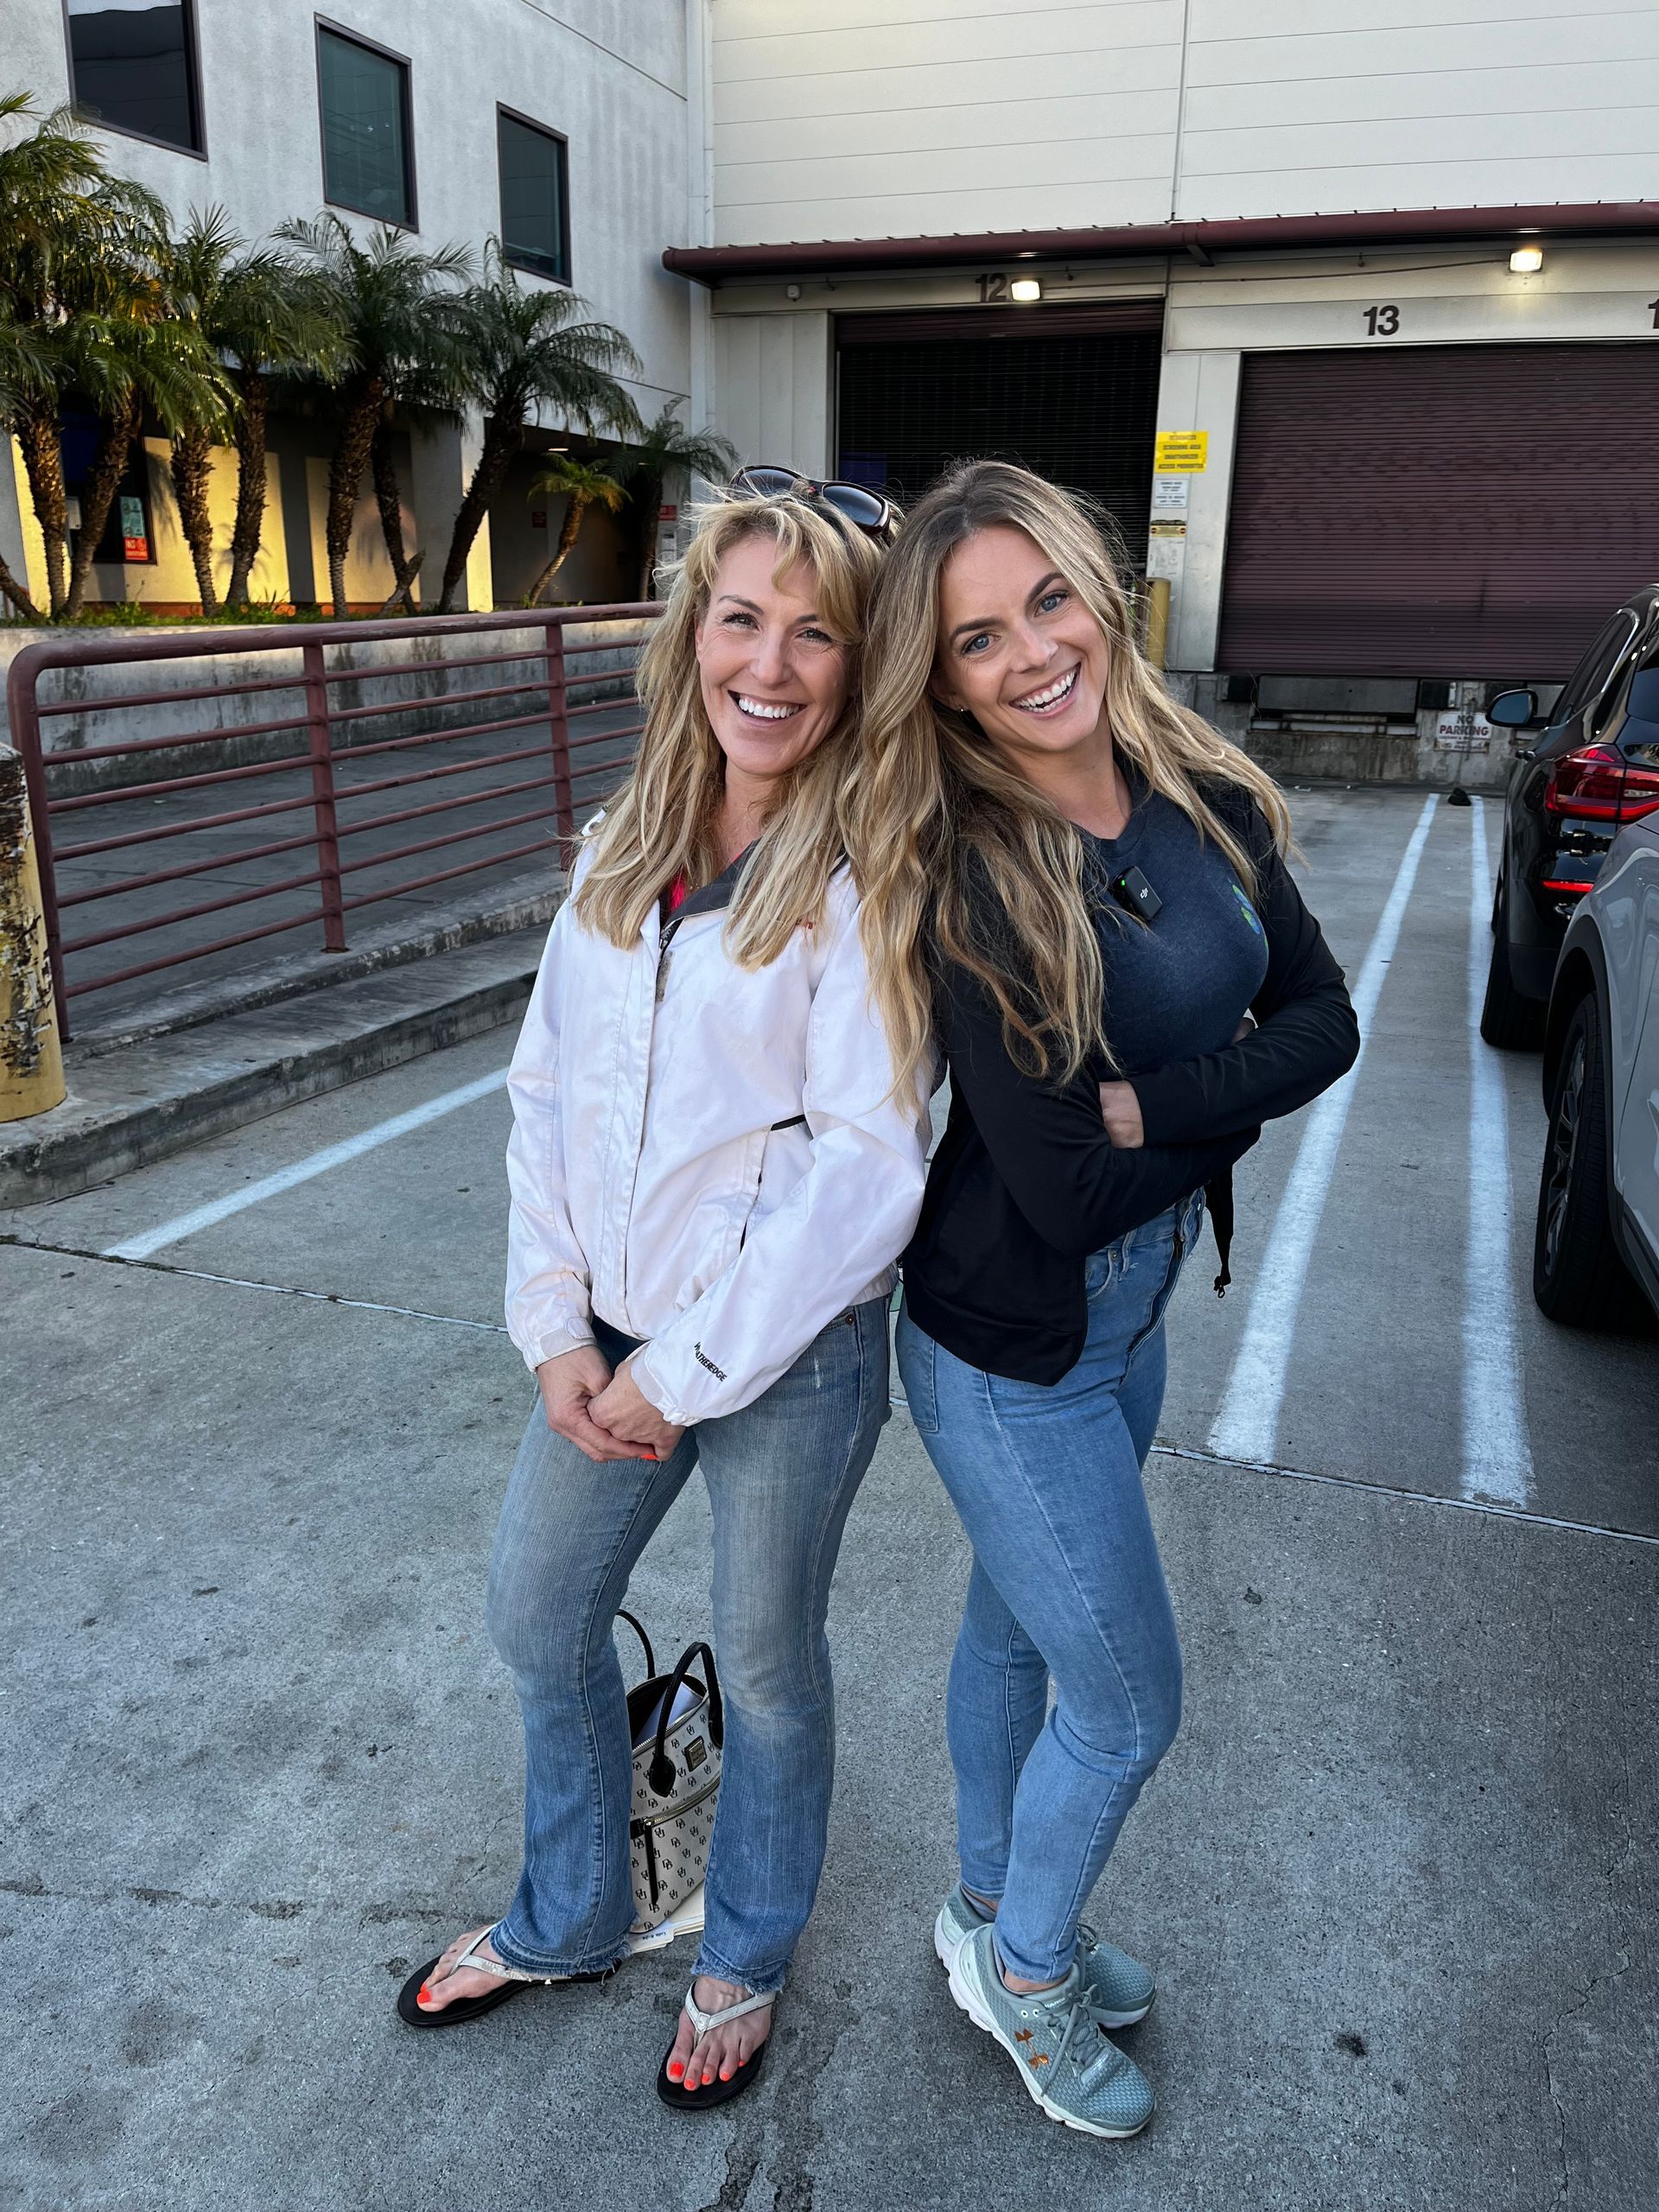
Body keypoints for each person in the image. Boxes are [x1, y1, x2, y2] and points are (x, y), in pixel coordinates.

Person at [842, 459, 1359, 2139]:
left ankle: (991, 1907)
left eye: (1048, 599)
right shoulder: (977, 870)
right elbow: (1061, 1188)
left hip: (1132, 1318)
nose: (1031, 652)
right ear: (941, 680)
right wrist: (1228, 1098)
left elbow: (1327, 1018)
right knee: (1129, 1702)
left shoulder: (1195, 786)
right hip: (1008, 1346)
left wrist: (1167, 1102)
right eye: (977, 637)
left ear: (1098, 590)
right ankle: (1029, 1969)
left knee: (1017, 1626)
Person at [397, 475, 926, 2112]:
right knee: (536, 1613)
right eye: (740, 618)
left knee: (765, 1665)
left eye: (813, 634)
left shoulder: (868, 870)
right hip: (613, 1334)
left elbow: (868, 1170)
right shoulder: (623, 842)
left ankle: (744, 1950)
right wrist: (555, 1325)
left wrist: (678, 1371)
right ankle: (571, 1915)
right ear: (693, 629)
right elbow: (548, 1089)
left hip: (789, 1351)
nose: (768, 665)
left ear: (858, 664)